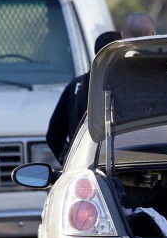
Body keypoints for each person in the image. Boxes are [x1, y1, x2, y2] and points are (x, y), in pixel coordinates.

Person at [46, 30, 122, 163]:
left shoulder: (76, 87)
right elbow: (53, 135)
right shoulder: (129, 87)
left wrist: (68, 159)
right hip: (122, 164)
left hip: (83, 166)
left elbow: (53, 135)